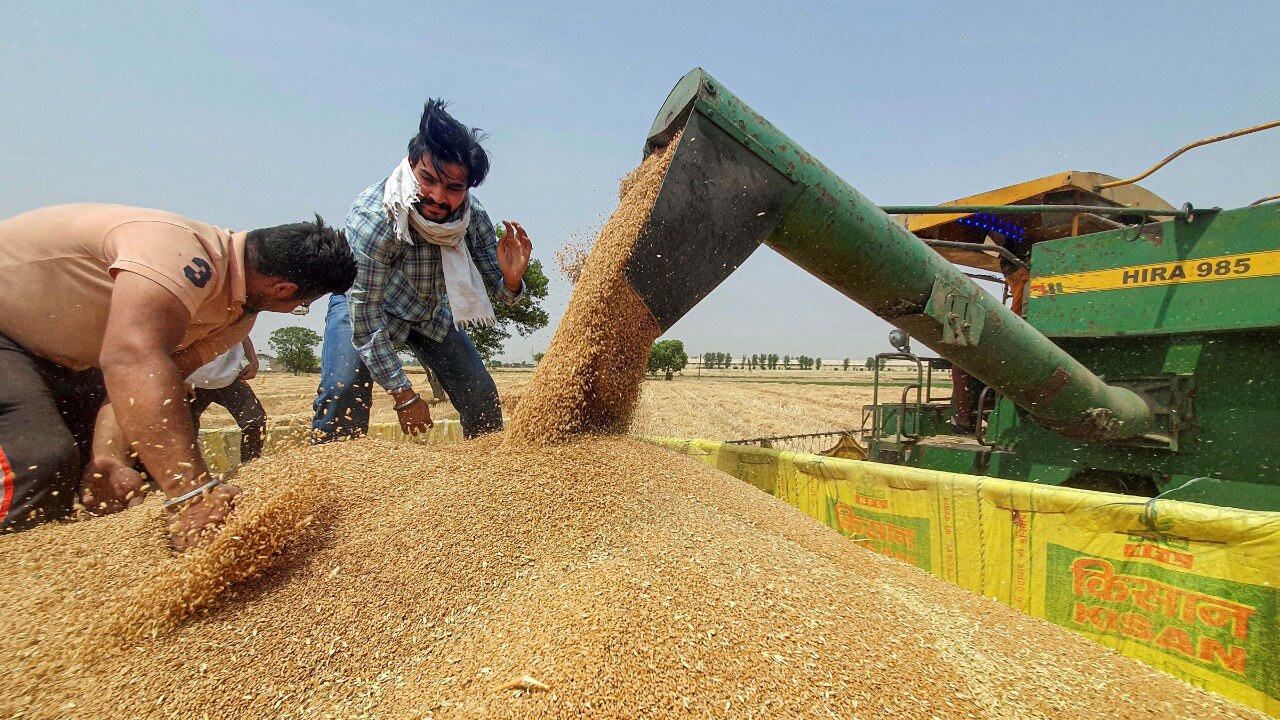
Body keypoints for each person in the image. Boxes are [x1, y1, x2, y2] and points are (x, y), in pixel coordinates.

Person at [0, 205, 356, 549]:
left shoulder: (238, 316)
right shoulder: (177, 253)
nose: (295, 311)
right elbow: (133, 360)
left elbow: (152, 383)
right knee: (41, 461)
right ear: (283, 289)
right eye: (300, 306)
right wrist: (192, 493)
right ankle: (21, 585)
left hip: (75, 362)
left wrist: (108, 457)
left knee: (132, 465)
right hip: (10, 336)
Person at [312, 99, 532, 442]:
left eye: (454, 188)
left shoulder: (472, 218)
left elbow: (503, 294)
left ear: (468, 189)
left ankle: (488, 477)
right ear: (412, 164)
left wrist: (513, 278)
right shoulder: (376, 219)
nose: (437, 197)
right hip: (369, 307)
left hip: (428, 313)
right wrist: (404, 395)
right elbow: (367, 321)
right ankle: (328, 479)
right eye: (427, 179)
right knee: (341, 392)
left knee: (481, 396)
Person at [188, 338, 267, 465]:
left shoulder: (237, 317)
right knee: (184, 430)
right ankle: (185, 475)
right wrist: (177, 376)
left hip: (230, 377)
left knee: (255, 421)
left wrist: (253, 360)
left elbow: (243, 332)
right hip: (191, 381)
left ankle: (250, 467)